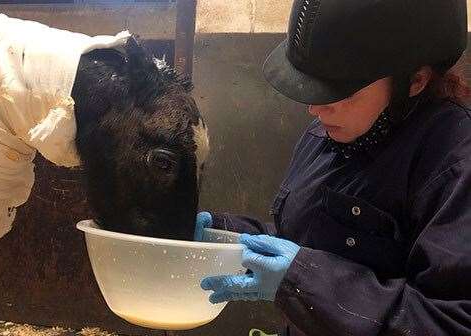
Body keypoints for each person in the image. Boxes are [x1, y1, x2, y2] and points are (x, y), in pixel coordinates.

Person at [195, 0, 471, 335]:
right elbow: (302, 242)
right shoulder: (329, 130)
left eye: (342, 92)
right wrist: (226, 234)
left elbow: (451, 322)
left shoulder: (455, 162)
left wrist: (301, 280)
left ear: (415, 80)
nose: (314, 109)